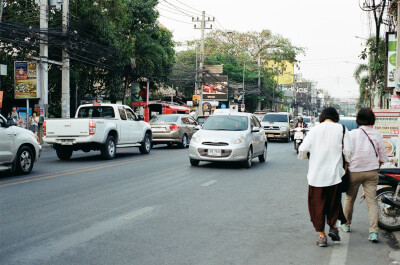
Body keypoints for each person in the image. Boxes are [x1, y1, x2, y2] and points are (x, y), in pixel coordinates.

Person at [298, 107, 353, 247]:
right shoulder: (342, 129)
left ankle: (322, 236)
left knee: (317, 206)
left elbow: (302, 149)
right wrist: (345, 164)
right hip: (334, 175)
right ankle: (333, 227)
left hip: (316, 176)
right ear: (336, 117)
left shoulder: (314, 130)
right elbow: (349, 151)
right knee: (333, 203)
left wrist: (308, 157)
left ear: (322, 116)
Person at [341, 108, 388, 243]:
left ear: (358, 119)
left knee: (350, 199)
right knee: (372, 202)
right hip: (372, 172)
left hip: (354, 171)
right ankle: (373, 233)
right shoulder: (377, 134)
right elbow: (383, 156)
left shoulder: (352, 134)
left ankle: (346, 224)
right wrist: (376, 167)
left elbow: (346, 153)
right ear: (372, 119)